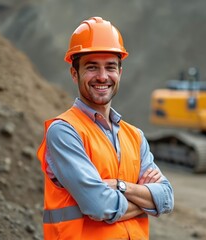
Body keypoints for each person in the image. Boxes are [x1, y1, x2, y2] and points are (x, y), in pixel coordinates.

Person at [37, 16, 174, 240]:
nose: (102, 76)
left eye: (110, 67)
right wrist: (148, 202)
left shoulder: (135, 136)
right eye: (92, 67)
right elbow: (99, 206)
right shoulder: (64, 131)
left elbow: (167, 198)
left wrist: (121, 187)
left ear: (120, 72)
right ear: (74, 73)